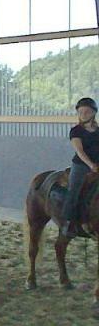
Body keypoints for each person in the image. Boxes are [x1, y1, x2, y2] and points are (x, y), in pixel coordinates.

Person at [64, 96, 99, 237]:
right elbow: (80, 151)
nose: (83, 114)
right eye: (80, 112)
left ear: (93, 113)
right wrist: (91, 165)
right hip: (82, 165)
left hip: (97, 164)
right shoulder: (76, 131)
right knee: (74, 189)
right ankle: (68, 223)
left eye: (86, 112)